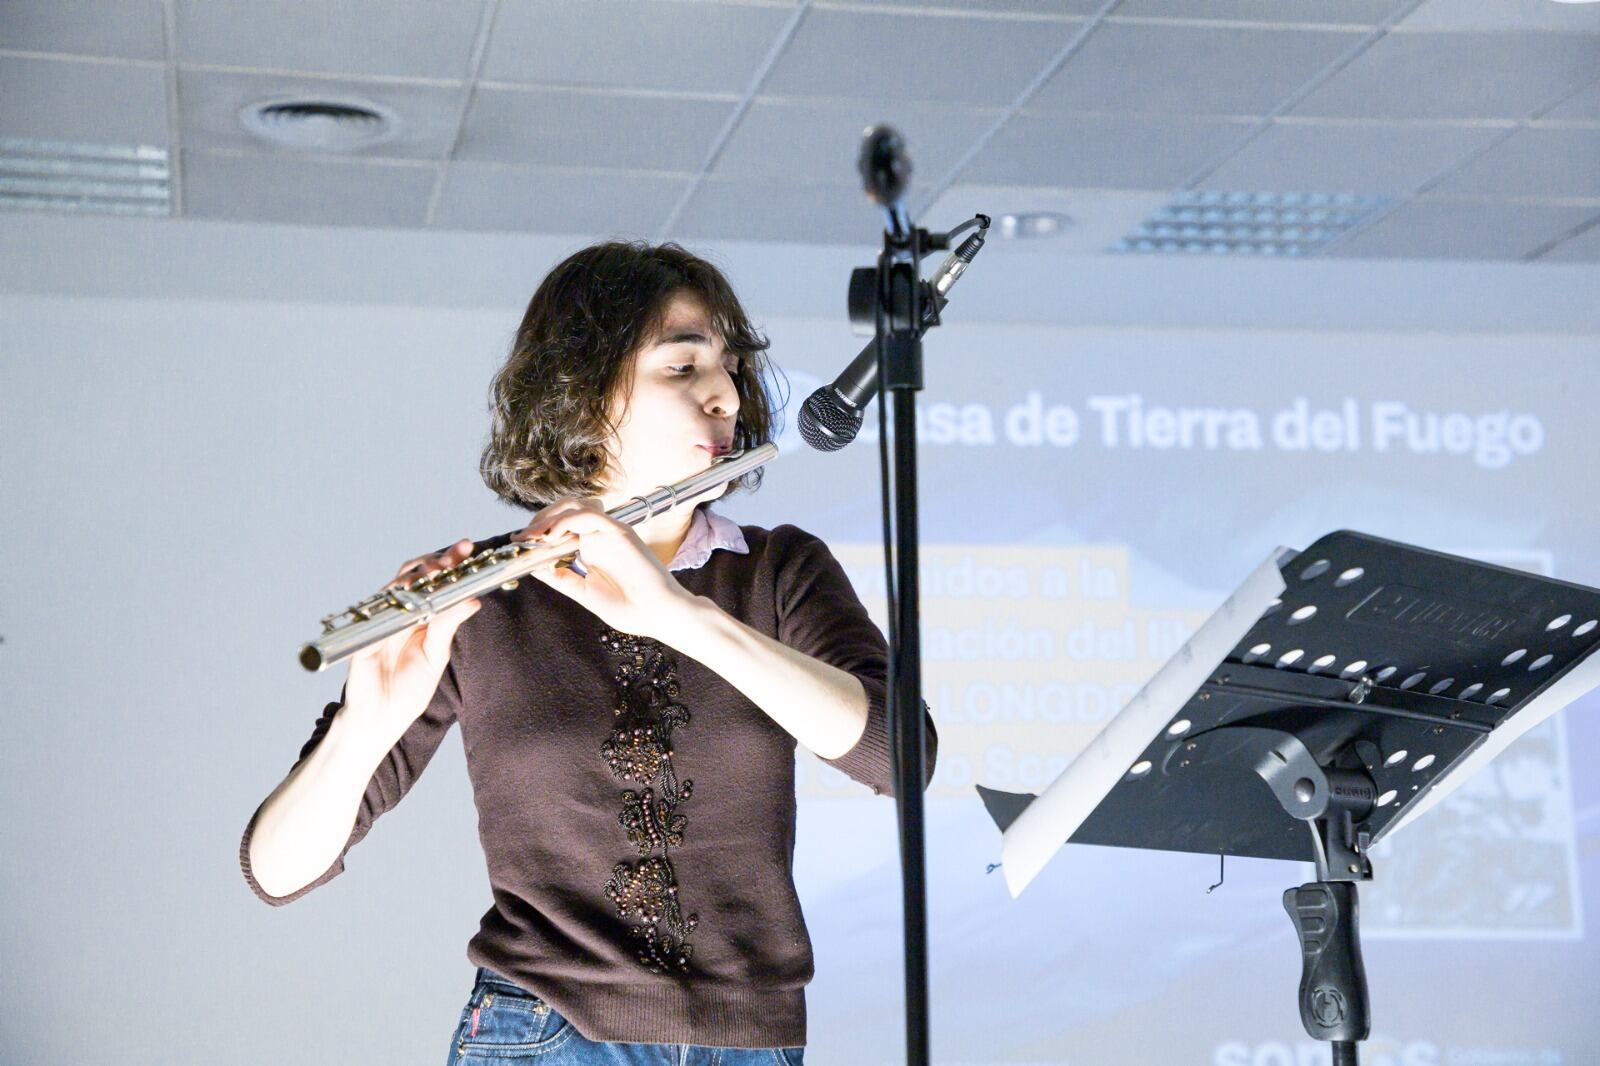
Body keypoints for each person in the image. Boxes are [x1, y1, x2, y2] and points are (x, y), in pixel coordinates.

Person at [240, 241, 938, 1065]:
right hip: (544, 1034)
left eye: (732, 368)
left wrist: (677, 614)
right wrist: (365, 723)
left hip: (751, 1044)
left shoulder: (779, 568)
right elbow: (277, 872)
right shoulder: (485, 596)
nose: (724, 395)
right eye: (683, 369)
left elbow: (901, 761)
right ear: (584, 394)